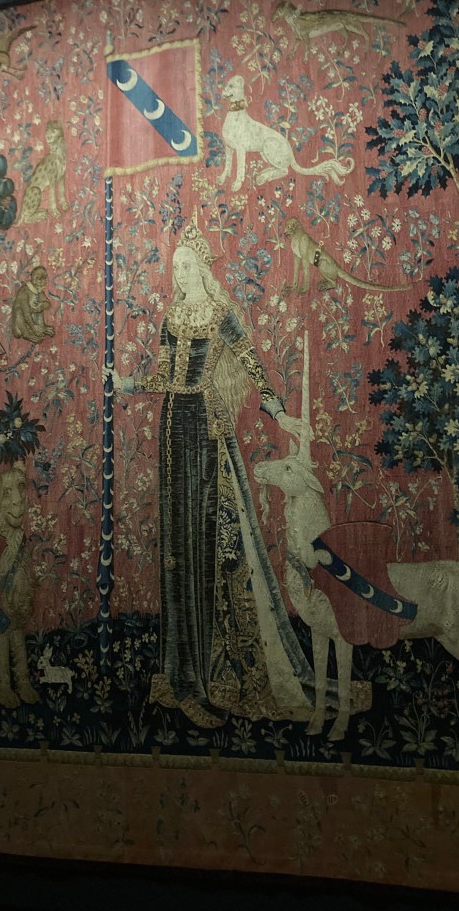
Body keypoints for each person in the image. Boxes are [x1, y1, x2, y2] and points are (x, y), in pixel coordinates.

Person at [111, 221, 315, 729]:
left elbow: (253, 366)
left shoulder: (221, 315)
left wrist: (280, 414)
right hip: (174, 432)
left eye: (186, 266)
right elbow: (165, 377)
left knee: (215, 546)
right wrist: (127, 383)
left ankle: (215, 676)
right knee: (179, 550)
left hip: (207, 428)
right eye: (174, 268)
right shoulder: (172, 317)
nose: (180, 274)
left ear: (202, 268)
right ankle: (183, 680)